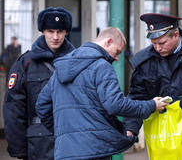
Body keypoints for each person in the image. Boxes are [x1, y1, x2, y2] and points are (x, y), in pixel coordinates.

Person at [35, 27, 168, 160]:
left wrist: (65, 133)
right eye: (117, 52)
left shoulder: (61, 69)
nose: (116, 58)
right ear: (108, 42)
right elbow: (115, 104)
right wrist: (151, 105)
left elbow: (41, 106)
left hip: (64, 152)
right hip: (95, 150)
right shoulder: (102, 66)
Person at [124, 13, 182, 159]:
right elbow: (137, 97)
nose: (158, 48)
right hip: (166, 137)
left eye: (162, 43)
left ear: (176, 34)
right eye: (153, 44)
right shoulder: (145, 62)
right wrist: (130, 129)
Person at [3, 7, 75, 160]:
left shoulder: (77, 61)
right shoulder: (25, 64)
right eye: (50, 31)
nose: (55, 37)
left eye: (60, 31)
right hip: (38, 144)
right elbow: (13, 108)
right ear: (42, 31)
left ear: (66, 32)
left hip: (72, 140)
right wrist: (19, 149)